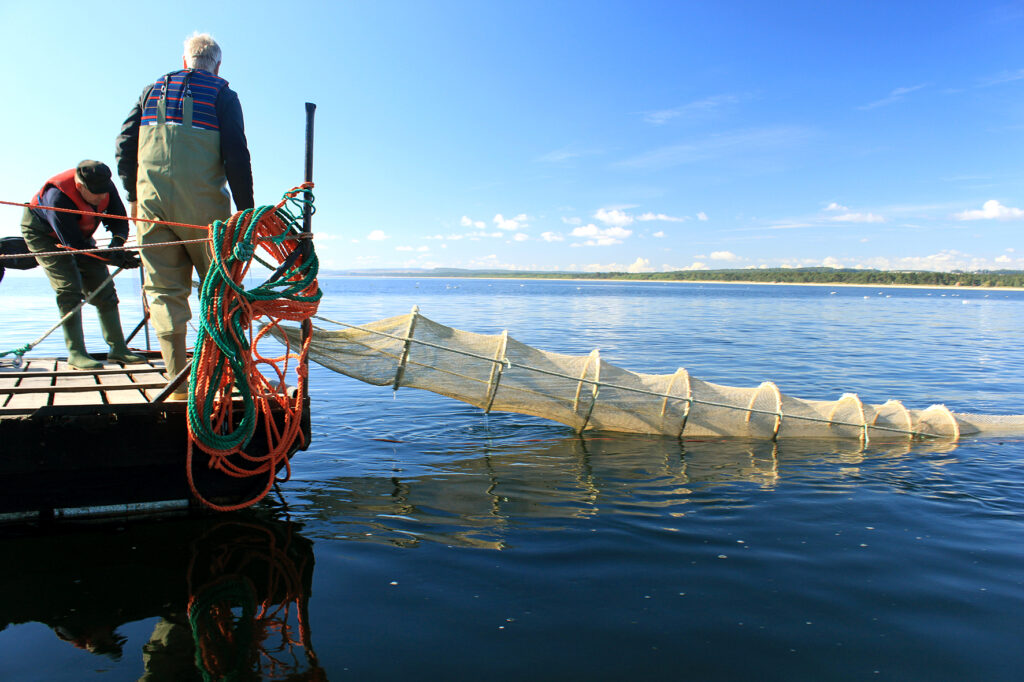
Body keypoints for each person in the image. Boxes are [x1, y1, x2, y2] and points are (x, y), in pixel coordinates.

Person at [115, 32, 254, 396]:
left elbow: (124, 145)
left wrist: (133, 195)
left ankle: (177, 386)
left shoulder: (151, 91)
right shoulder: (224, 94)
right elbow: (236, 154)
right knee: (221, 289)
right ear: (217, 65)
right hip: (204, 211)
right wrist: (248, 212)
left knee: (163, 291)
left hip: (151, 207)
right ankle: (224, 378)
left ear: (184, 61)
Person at [21, 160, 144, 370]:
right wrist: (113, 259)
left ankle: (118, 349)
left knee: (103, 288)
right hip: (44, 235)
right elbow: (75, 247)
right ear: (79, 186)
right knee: (68, 288)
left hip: (80, 236)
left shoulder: (105, 185)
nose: (100, 197)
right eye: (95, 193)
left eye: (103, 192)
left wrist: (118, 244)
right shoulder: (57, 197)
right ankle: (76, 353)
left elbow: (119, 220)